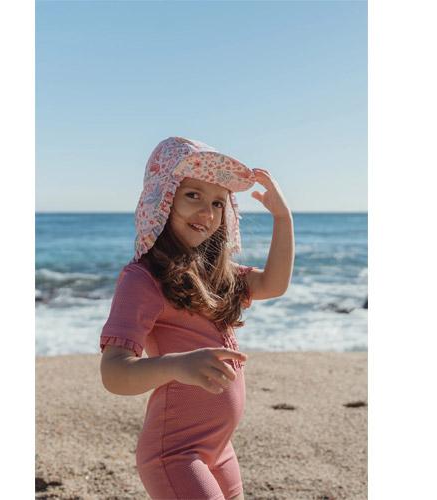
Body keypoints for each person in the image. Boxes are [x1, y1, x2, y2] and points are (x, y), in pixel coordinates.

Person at [100, 136, 294, 500]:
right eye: (193, 195)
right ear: (163, 199)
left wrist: (283, 219)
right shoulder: (143, 279)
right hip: (175, 453)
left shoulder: (216, 275)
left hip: (220, 448)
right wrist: (176, 365)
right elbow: (113, 373)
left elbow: (273, 284)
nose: (207, 213)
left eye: (218, 202)